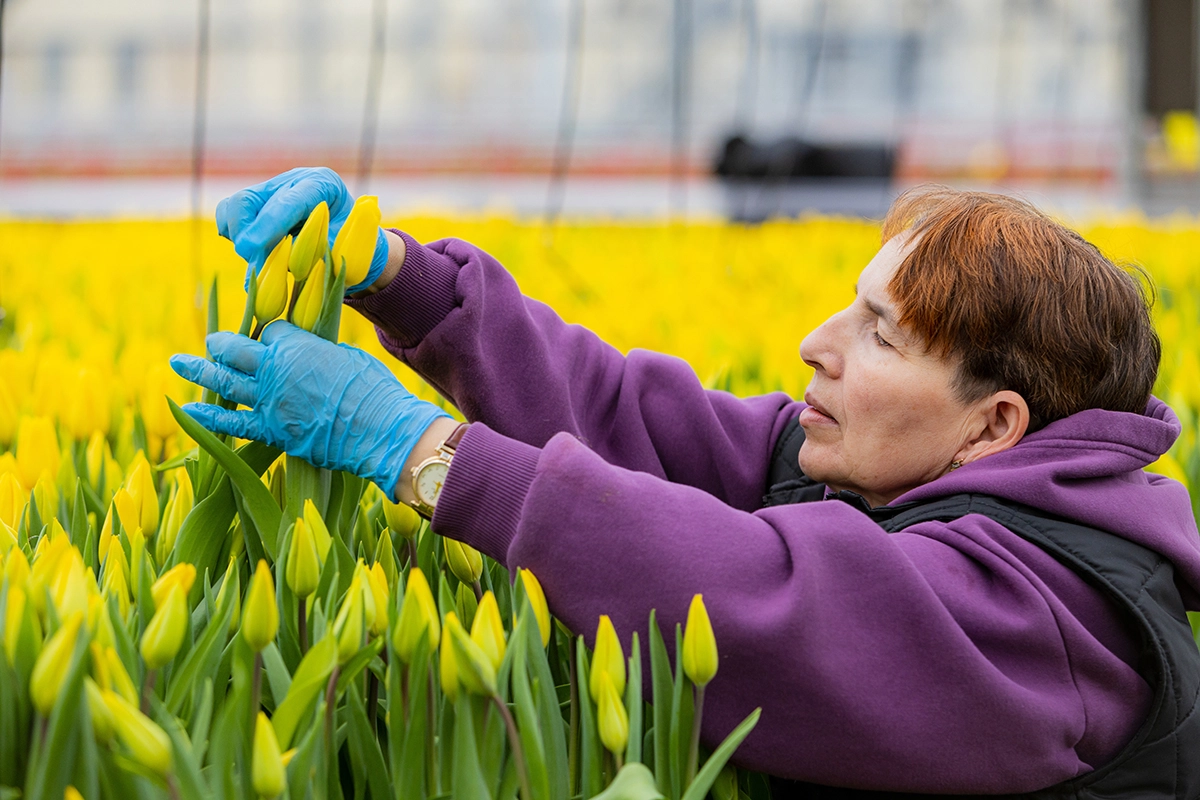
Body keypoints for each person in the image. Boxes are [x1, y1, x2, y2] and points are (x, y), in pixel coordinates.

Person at [170, 168, 1200, 798]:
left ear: (994, 424)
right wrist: (394, 271)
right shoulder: (886, 469)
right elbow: (633, 420)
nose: (814, 344)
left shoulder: (1055, 614)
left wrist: (409, 444)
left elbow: (766, 596)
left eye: (878, 334)